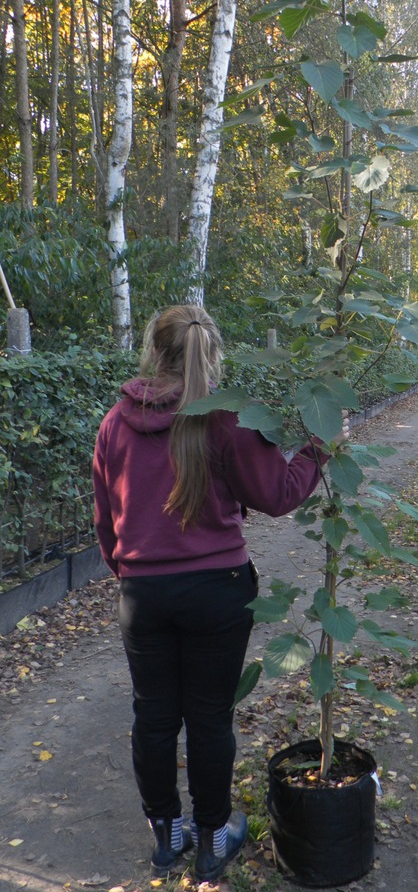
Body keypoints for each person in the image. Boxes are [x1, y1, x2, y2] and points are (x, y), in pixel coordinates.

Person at [93, 305, 329, 880]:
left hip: (143, 594)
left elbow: (106, 518)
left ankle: (166, 831)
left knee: (153, 716)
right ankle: (212, 836)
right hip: (218, 592)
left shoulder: (114, 425)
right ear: (210, 352)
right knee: (208, 718)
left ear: (153, 349)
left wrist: (129, 575)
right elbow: (277, 493)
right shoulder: (225, 420)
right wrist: (319, 449)